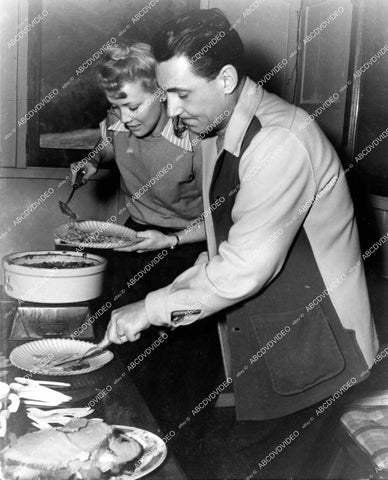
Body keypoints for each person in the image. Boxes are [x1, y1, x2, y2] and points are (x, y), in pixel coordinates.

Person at [99, 10, 378, 424]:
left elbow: (244, 267)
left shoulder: (277, 141)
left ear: (226, 80)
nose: (172, 110)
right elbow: (219, 249)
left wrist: (149, 309)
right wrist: (155, 300)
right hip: (280, 346)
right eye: (165, 94)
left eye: (182, 93)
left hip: (320, 352)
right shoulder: (220, 133)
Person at [71, 42, 222, 433]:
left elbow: (223, 219)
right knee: (120, 348)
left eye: (134, 107)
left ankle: (174, 450)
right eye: (116, 107)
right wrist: (91, 161)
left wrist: (170, 241)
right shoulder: (118, 119)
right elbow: (108, 143)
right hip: (134, 241)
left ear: (162, 94)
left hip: (188, 248)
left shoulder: (195, 138)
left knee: (178, 372)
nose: (125, 117)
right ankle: (118, 436)